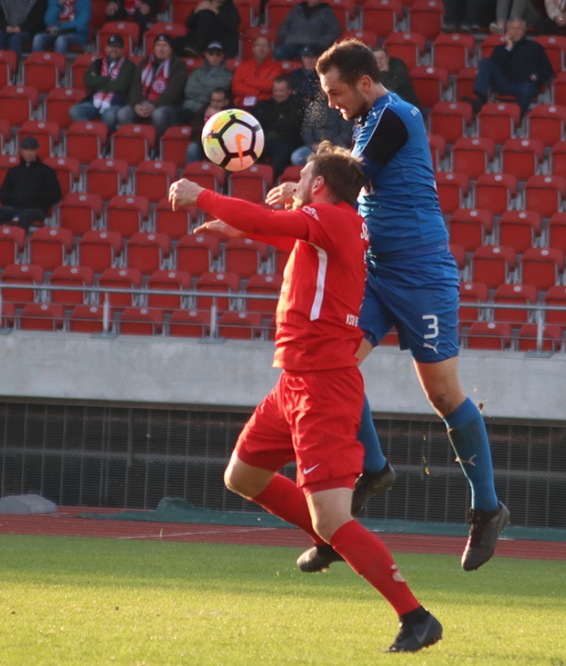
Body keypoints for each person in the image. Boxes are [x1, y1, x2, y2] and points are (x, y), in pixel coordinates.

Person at [168, 143, 444, 653]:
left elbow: (277, 221)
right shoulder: (334, 222)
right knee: (243, 476)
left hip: (323, 385)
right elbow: (285, 231)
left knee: (335, 517)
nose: (293, 186)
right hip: (295, 381)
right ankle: (326, 540)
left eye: (301, 178)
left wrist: (201, 195)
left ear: (318, 186)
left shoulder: (334, 218)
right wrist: (243, 229)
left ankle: (416, 616)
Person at [269, 38, 510, 574]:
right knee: (334, 364)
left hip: (422, 273)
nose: (331, 102)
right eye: (326, 95)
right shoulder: (363, 118)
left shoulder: (394, 115)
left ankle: (487, 508)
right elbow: (350, 181)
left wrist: (305, 187)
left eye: (336, 93)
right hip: (376, 272)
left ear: (363, 82)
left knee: (445, 395)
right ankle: (373, 468)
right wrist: (305, 190)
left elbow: (353, 175)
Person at [465, 18, 554, 117]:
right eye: (511, 29)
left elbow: (548, 70)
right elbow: (494, 65)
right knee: (485, 62)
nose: (514, 32)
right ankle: (481, 101)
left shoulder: (535, 47)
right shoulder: (501, 48)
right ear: (507, 31)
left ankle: (516, 119)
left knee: (527, 88)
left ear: (524, 31)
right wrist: (508, 47)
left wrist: (535, 76)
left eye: (518, 29)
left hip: (524, 84)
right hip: (504, 83)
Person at [117, 34, 188, 138]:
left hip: (167, 105)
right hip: (143, 103)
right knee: (123, 113)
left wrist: (154, 105)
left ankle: (156, 146)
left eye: (165, 45)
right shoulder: (144, 62)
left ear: (171, 49)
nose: (161, 49)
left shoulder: (178, 64)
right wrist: (136, 104)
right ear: (154, 49)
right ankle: (133, 144)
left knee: (158, 115)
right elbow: (135, 85)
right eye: (158, 45)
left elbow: (173, 92)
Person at [0, 136, 62, 230]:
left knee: (26, 215)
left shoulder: (46, 171)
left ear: (37, 151)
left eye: (31, 150)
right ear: (21, 150)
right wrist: (14, 198)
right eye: (26, 150)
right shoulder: (14, 171)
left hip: (36, 209)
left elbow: (55, 194)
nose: (28, 153)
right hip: (15, 208)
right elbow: (3, 193)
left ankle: (19, 242)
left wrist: (37, 197)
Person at [69, 35, 136, 132]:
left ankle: (106, 142)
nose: (114, 49)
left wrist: (98, 81)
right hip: (95, 102)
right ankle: (92, 134)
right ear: (106, 48)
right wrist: (109, 79)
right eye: (111, 46)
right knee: (74, 111)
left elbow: (121, 85)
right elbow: (88, 82)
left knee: (109, 116)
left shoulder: (129, 65)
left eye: (117, 47)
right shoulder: (98, 63)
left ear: (122, 50)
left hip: (115, 103)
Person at [254, 76, 305, 180]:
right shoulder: (265, 105)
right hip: (267, 141)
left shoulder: (298, 106)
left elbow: (292, 126)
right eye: (275, 90)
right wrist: (280, 121)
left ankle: (272, 186)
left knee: (279, 157)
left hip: (288, 142)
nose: (278, 94)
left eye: (281, 91)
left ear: (289, 91)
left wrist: (275, 122)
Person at [290, 93, 354, 166]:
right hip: (314, 148)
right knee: (296, 157)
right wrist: (312, 144)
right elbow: (306, 129)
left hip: (336, 147)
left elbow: (347, 133)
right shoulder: (314, 105)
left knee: (346, 159)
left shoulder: (342, 107)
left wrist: (329, 145)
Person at [180, 41, 233, 122]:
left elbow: (218, 93)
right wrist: (208, 89)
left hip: (210, 110)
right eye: (211, 53)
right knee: (166, 114)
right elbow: (189, 91)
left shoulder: (228, 75)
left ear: (222, 56)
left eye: (218, 54)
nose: (214, 56)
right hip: (189, 108)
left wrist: (201, 85)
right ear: (206, 55)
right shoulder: (197, 71)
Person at [273, 0, 340, 62]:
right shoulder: (297, 9)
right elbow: (284, 25)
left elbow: (334, 30)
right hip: (291, 42)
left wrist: (321, 43)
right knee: (278, 52)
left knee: (306, 56)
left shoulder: (327, 12)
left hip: (312, 44)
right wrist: (284, 38)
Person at [185, 87, 231, 164]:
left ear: (226, 102)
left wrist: (217, 117)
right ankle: (193, 175)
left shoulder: (232, 112)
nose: (214, 104)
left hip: (224, 146)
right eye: (212, 100)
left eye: (218, 101)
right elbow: (195, 133)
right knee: (192, 148)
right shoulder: (203, 111)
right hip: (205, 144)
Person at [231, 37, 279, 108]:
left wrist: (247, 81)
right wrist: (257, 93)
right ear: (253, 49)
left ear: (270, 49)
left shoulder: (276, 67)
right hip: (242, 104)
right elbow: (236, 87)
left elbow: (269, 86)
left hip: (266, 105)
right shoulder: (243, 66)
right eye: (258, 45)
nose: (261, 49)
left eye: (265, 46)